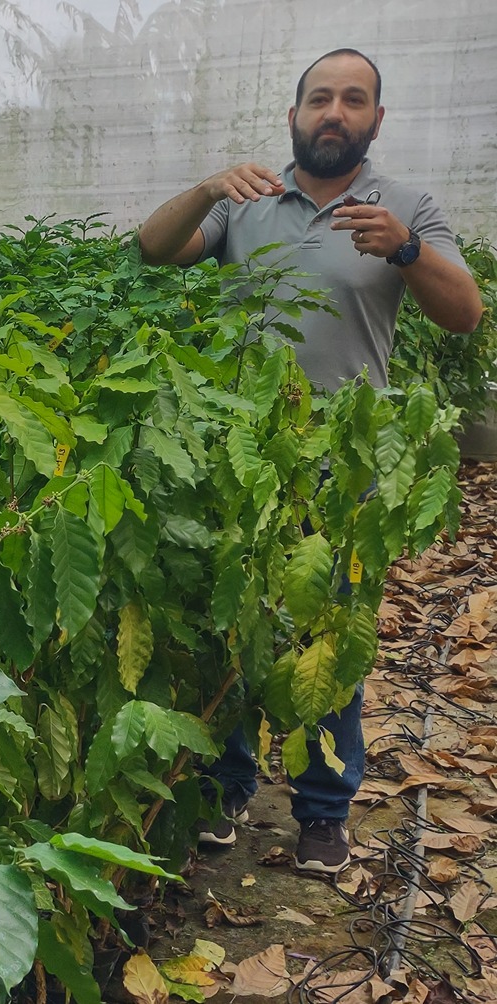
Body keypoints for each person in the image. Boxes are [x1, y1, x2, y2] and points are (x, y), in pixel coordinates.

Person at [137, 48, 483, 874]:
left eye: (353, 100)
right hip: (238, 451)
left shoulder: (406, 207)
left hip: (343, 463)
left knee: (329, 632)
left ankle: (324, 807)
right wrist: (207, 188)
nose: (335, 112)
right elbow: (153, 251)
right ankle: (224, 785)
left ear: (376, 119)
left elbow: (464, 313)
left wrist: (404, 250)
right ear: (294, 113)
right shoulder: (249, 203)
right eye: (320, 98)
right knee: (228, 620)